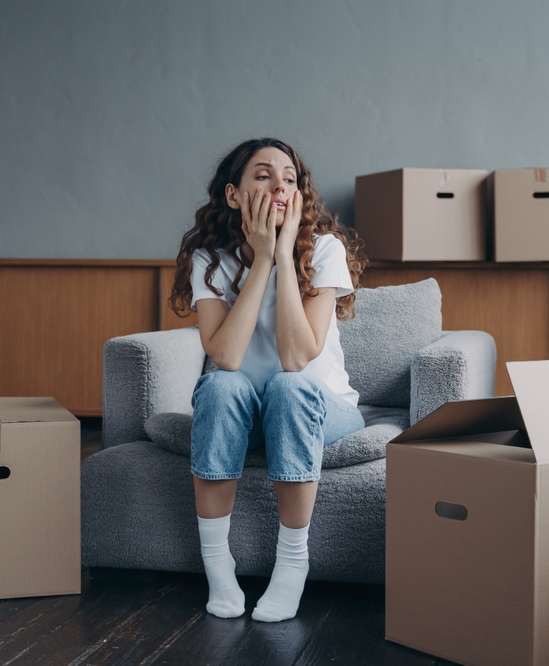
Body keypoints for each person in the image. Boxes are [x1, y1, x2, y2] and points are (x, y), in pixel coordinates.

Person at [168, 138, 368, 622]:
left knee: (288, 385)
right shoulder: (210, 259)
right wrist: (261, 259)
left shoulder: (323, 249)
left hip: (319, 407)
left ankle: (292, 564)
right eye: (263, 175)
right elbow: (227, 356)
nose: (279, 184)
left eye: (290, 178)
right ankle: (218, 566)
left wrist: (283, 253)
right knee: (219, 385)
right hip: (244, 408)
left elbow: (297, 357)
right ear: (234, 195)